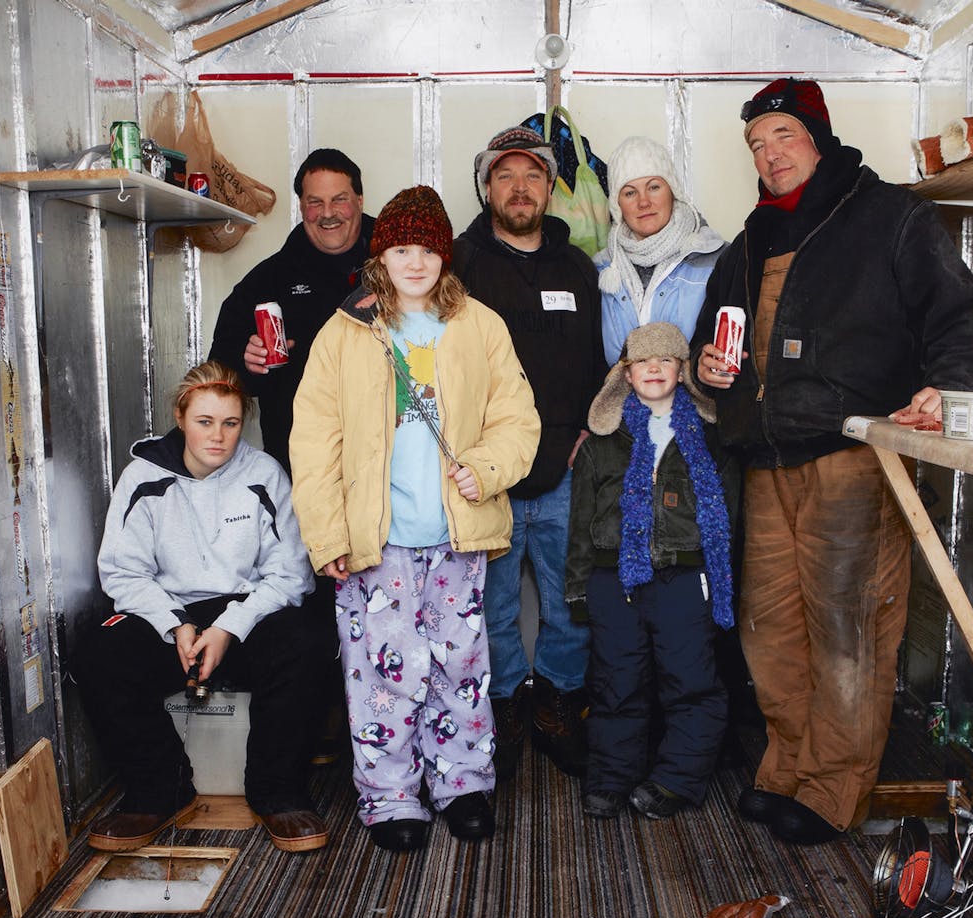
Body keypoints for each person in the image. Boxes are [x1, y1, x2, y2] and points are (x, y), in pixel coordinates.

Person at [691, 78, 973, 845]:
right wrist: (710, 369)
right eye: (757, 145)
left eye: (783, 136)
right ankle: (787, 768)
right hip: (765, 463)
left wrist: (950, 387)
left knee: (848, 629)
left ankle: (834, 790)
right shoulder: (750, 238)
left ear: (818, 136)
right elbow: (711, 340)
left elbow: (959, 316)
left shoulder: (889, 216)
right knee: (771, 631)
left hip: (854, 455)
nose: (769, 154)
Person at [289, 185, 539, 852]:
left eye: (428, 248)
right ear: (382, 255)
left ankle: (462, 785)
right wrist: (328, 536)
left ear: (444, 256)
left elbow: (517, 418)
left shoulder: (479, 326)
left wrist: (484, 469)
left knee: (461, 666)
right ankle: (392, 796)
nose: (417, 261)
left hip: (457, 536)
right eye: (403, 247)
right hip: (379, 543)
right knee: (383, 673)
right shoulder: (344, 334)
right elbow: (314, 443)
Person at [72, 361, 329, 854]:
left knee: (310, 638)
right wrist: (175, 627)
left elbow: (291, 574)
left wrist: (229, 628)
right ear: (180, 417)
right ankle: (158, 788)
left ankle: (278, 792)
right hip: (167, 613)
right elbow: (123, 573)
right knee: (98, 651)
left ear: (243, 423)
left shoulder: (263, 473)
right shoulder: (142, 476)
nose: (218, 437)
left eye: (230, 423)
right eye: (204, 422)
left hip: (245, 613)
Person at [208, 148, 374, 762]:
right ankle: (331, 721)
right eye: (314, 202)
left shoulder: (400, 259)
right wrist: (246, 367)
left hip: (391, 472)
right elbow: (219, 374)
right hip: (307, 475)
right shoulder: (271, 279)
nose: (328, 214)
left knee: (395, 596)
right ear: (301, 205)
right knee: (323, 597)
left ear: (359, 198)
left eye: (339, 199)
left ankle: (398, 726)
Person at [451, 126, 604, 779]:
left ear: (549, 187)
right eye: (505, 175)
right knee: (493, 606)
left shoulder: (577, 268)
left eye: (533, 175)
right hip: (487, 475)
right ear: (487, 187)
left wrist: (589, 433)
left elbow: (599, 364)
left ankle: (558, 709)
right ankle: (507, 705)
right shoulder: (457, 264)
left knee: (572, 603)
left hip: (564, 470)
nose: (519, 187)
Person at [566, 322, 737, 821]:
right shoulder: (603, 440)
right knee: (616, 681)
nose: (655, 368)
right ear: (626, 373)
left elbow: (731, 514)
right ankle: (612, 777)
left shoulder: (709, 437)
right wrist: (579, 586)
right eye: (643, 361)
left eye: (666, 360)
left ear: (683, 371)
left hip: (685, 577)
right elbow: (581, 519)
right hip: (612, 577)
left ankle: (676, 779)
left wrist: (726, 584)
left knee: (691, 680)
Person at [594, 135, 726, 364]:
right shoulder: (601, 268)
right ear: (617, 205)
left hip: (696, 398)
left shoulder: (716, 258)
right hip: (620, 400)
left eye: (654, 187)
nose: (643, 202)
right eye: (629, 192)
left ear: (673, 192)